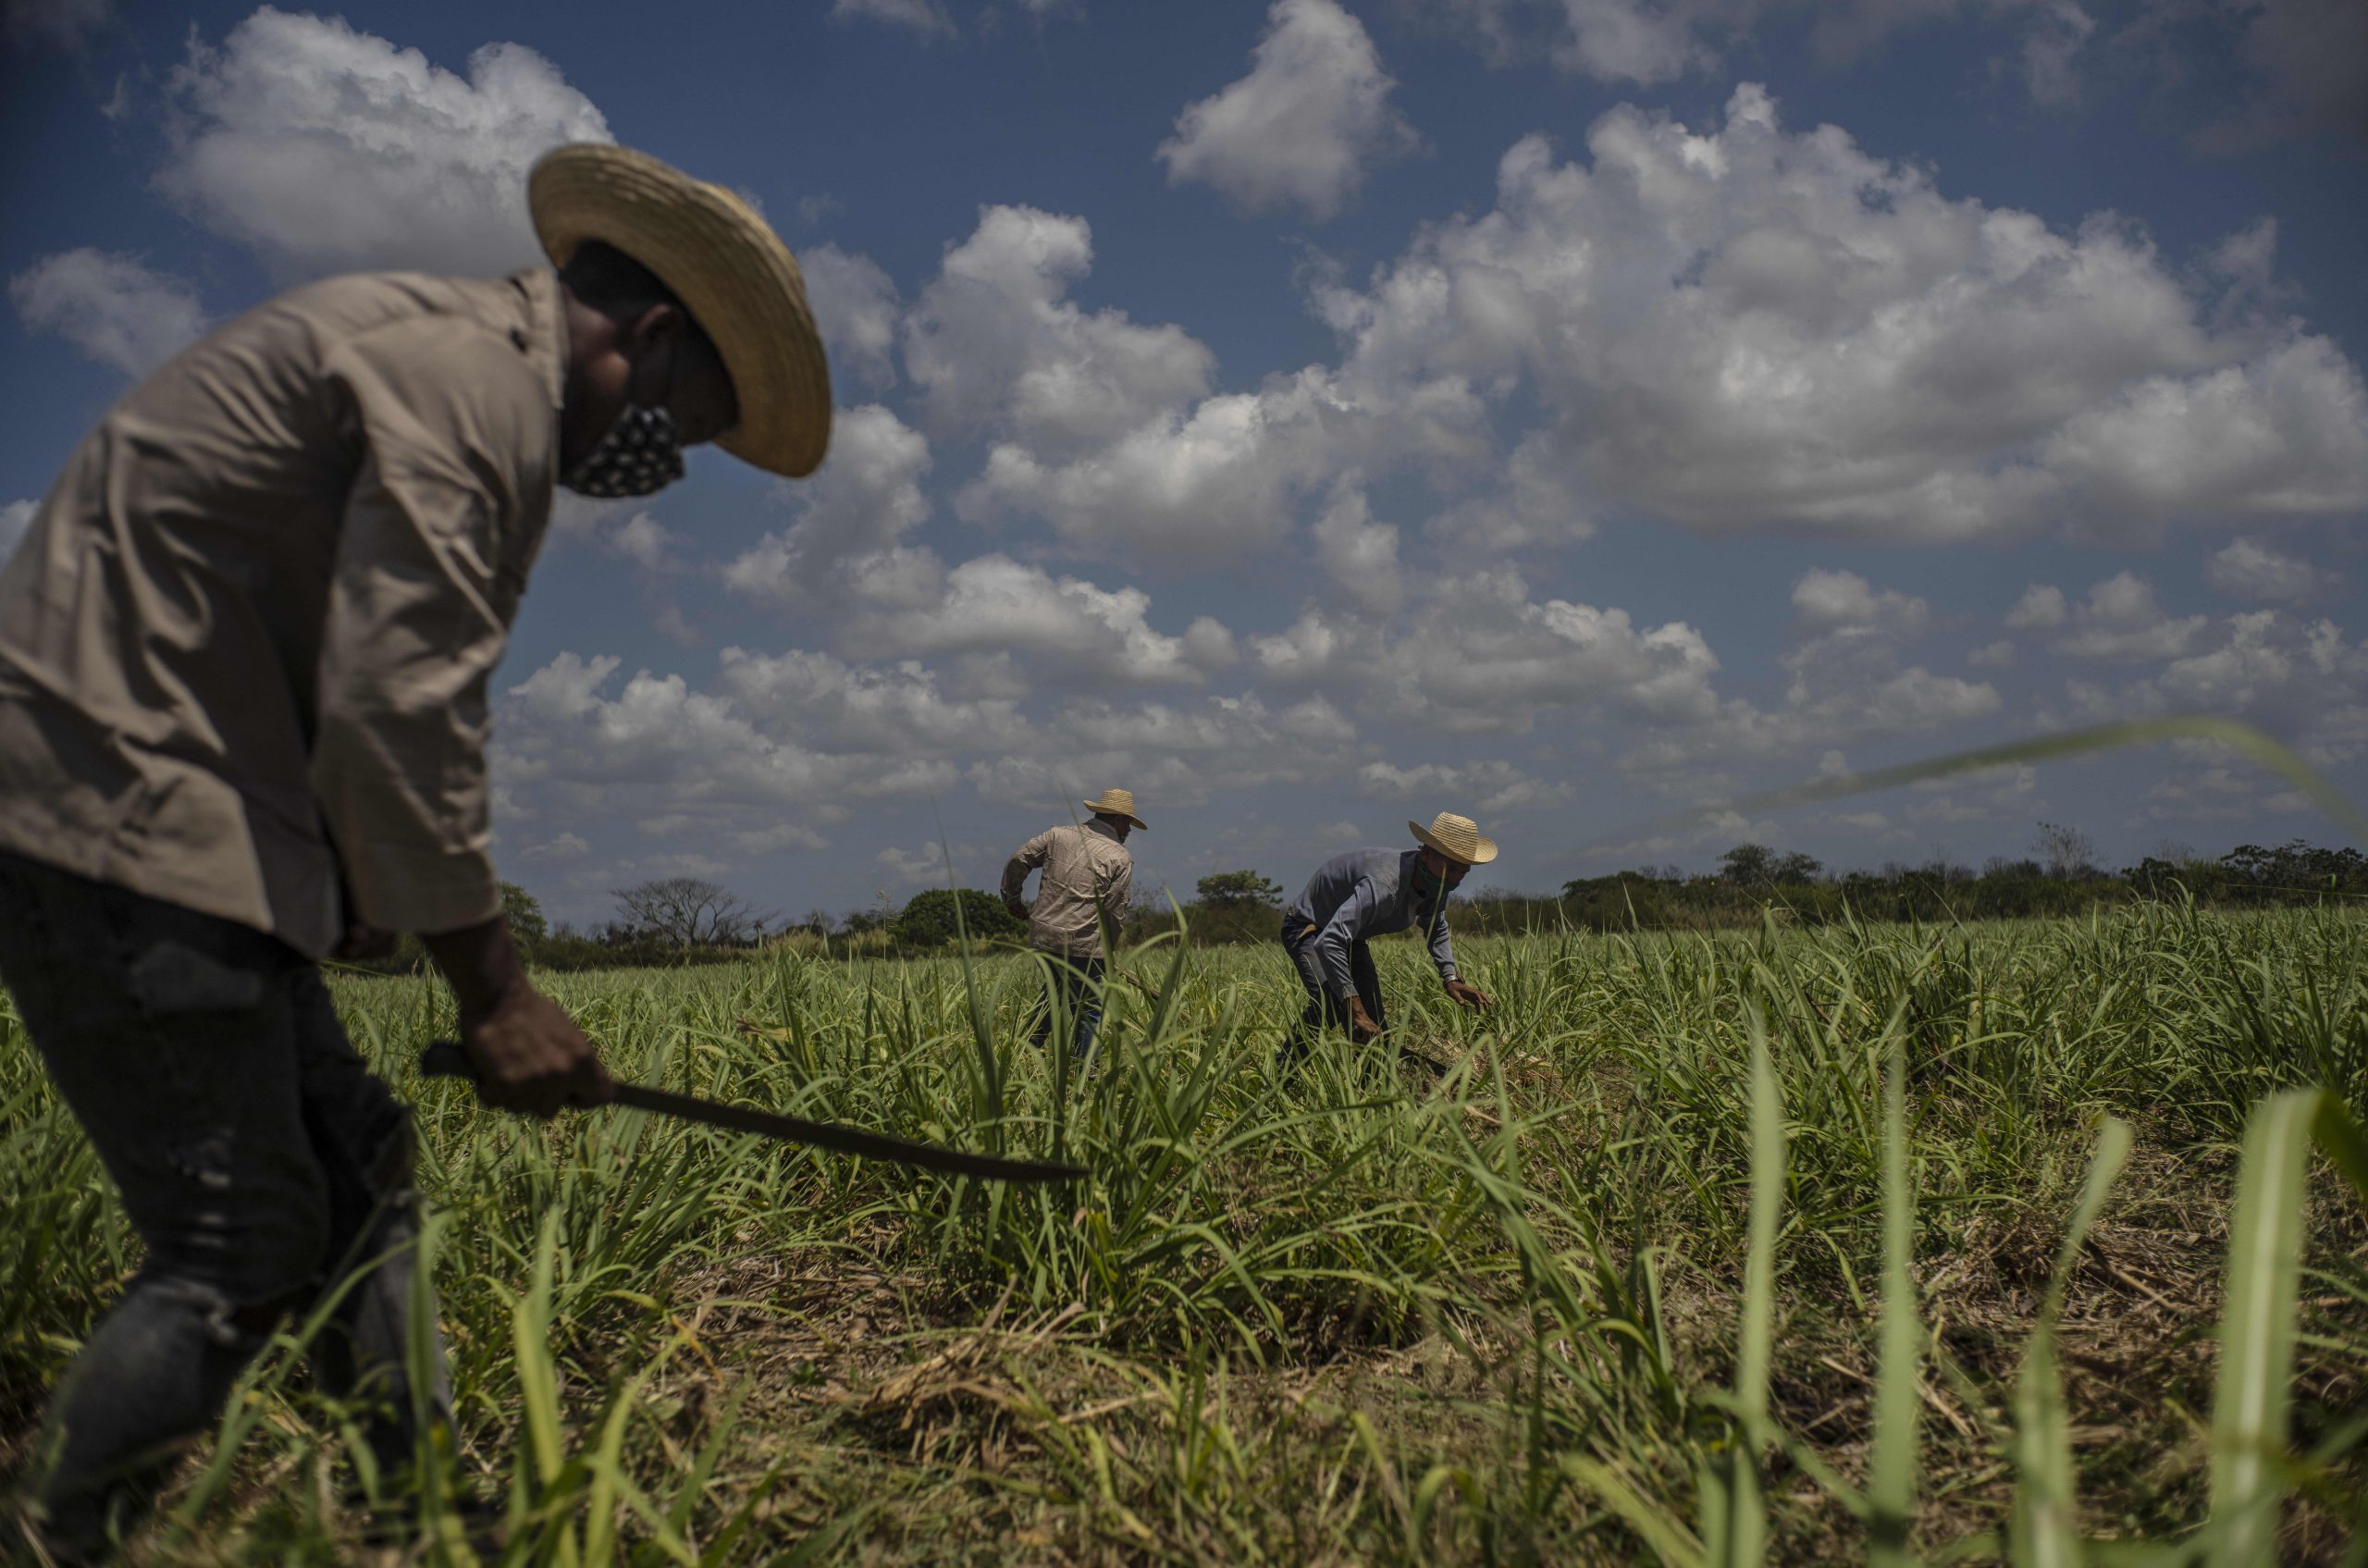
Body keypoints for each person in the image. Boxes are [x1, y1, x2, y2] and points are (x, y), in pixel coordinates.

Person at [0, 142, 832, 1558]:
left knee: (363, 1159)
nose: (661, 463)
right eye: (683, 426)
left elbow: (298, 646)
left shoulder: (429, 351)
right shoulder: (472, 387)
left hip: (178, 815)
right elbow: (400, 701)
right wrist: (496, 992)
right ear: (650, 336)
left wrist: (349, 880)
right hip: (122, 827)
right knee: (238, 1247)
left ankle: (422, 1508)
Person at [1281, 811, 1498, 1053]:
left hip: (1352, 937)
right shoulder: (1384, 884)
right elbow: (1329, 941)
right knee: (1333, 1003)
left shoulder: (1437, 881)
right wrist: (1354, 1007)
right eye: (1451, 869)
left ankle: (1372, 1085)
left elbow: (1435, 925)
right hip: (1309, 929)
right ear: (1426, 853)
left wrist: (1451, 978)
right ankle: (1281, 1075)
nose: (1455, 880)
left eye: (1462, 873)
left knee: (1373, 1021)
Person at [1001, 790, 1144, 1063]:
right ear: (1118, 821)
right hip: (1083, 944)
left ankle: (1025, 1052)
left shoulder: (1057, 835)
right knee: (1090, 1008)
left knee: (1055, 993)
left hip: (1043, 937)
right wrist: (1107, 953)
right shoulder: (1120, 857)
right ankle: (1086, 1075)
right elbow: (1113, 912)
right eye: (1127, 823)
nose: (1128, 830)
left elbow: (1019, 859)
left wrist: (1012, 899)